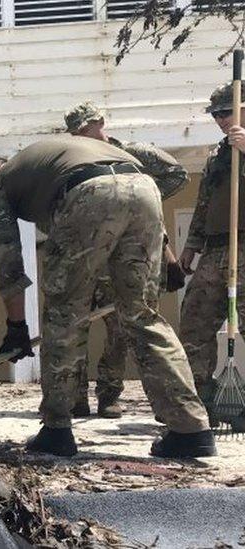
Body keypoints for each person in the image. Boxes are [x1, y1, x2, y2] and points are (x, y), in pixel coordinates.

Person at [0, 134, 214, 458]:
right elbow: (122, 192)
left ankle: (57, 430)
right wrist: (169, 257)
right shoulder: (52, 156)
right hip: (144, 188)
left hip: (87, 194)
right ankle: (191, 430)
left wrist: (17, 326)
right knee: (142, 315)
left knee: (63, 314)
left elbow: (8, 261)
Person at [64, 101, 190, 418]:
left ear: (100, 122)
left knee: (119, 328)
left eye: (87, 127)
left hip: (127, 254)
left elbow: (177, 173)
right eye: (77, 132)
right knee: (75, 324)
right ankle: (75, 397)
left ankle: (109, 395)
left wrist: (142, 202)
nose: (84, 135)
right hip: (86, 252)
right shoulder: (74, 164)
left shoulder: (133, 154)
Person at [178, 81, 245, 426]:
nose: (221, 120)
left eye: (226, 112)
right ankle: (204, 401)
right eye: (216, 114)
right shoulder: (218, 154)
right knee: (194, 325)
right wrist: (191, 245)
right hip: (216, 250)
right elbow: (203, 205)